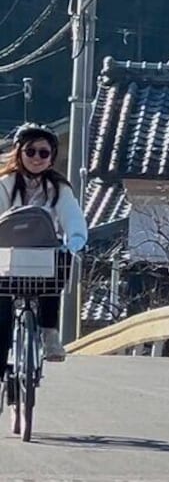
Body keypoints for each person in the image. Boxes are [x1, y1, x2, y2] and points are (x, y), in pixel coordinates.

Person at [0, 123, 87, 381]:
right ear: (19, 153)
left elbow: (72, 217)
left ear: (52, 156)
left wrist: (76, 240)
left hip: (44, 255)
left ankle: (50, 332)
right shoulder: (5, 184)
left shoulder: (59, 188)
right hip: (7, 256)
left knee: (58, 266)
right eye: (31, 151)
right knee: (1, 316)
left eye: (44, 153)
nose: (37, 157)